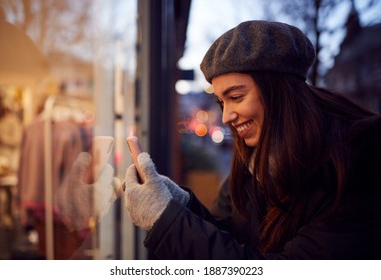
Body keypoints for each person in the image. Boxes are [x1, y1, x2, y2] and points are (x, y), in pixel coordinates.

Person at [123, 20, 381, 259]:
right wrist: (178, 205)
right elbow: (231, 237)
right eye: (221, 102)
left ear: (279, 92)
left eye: (236, 97)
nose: (226, 116)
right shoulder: (252, 163)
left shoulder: (358, 164)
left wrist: (166, 222)